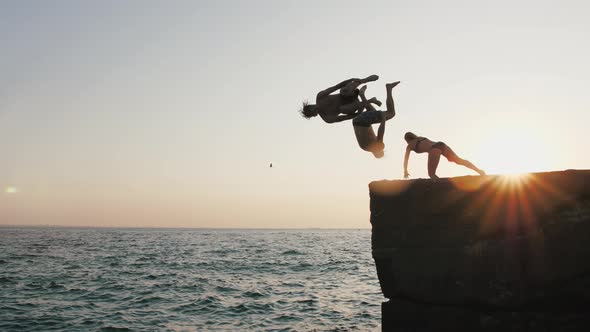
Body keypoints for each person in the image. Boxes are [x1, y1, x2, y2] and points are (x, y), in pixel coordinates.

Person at [300, 75, 382, 123]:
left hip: (349, 94)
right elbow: (346, 117)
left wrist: (352, 80)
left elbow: (337, 86)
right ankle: (370, 100)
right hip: (353, 106)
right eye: (314, 115)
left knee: (343, 91)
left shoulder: (320, 97)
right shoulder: (327, 118)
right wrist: (361, 113)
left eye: (313, 112)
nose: (315, 114)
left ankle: (365, 80)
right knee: (342, 109)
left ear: (311, 107)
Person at [403, 132, 486, 179]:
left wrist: (405, 170)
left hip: (433, 149)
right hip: (441, 144)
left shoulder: (410, 145)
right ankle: (479, 171)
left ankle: (439, 191)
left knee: (431, 174)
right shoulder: (421, 138)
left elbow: (406, 159)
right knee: (458, 160)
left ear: (407, 140)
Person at [352, 81, 400, 158]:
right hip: (357, 121)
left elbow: (381, 132)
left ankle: (389, 88)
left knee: (391, 113)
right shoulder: (365, 148)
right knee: (373, 112)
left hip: (363, 121)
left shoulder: (378, 146)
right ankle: (362, 95)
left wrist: (383, 119)